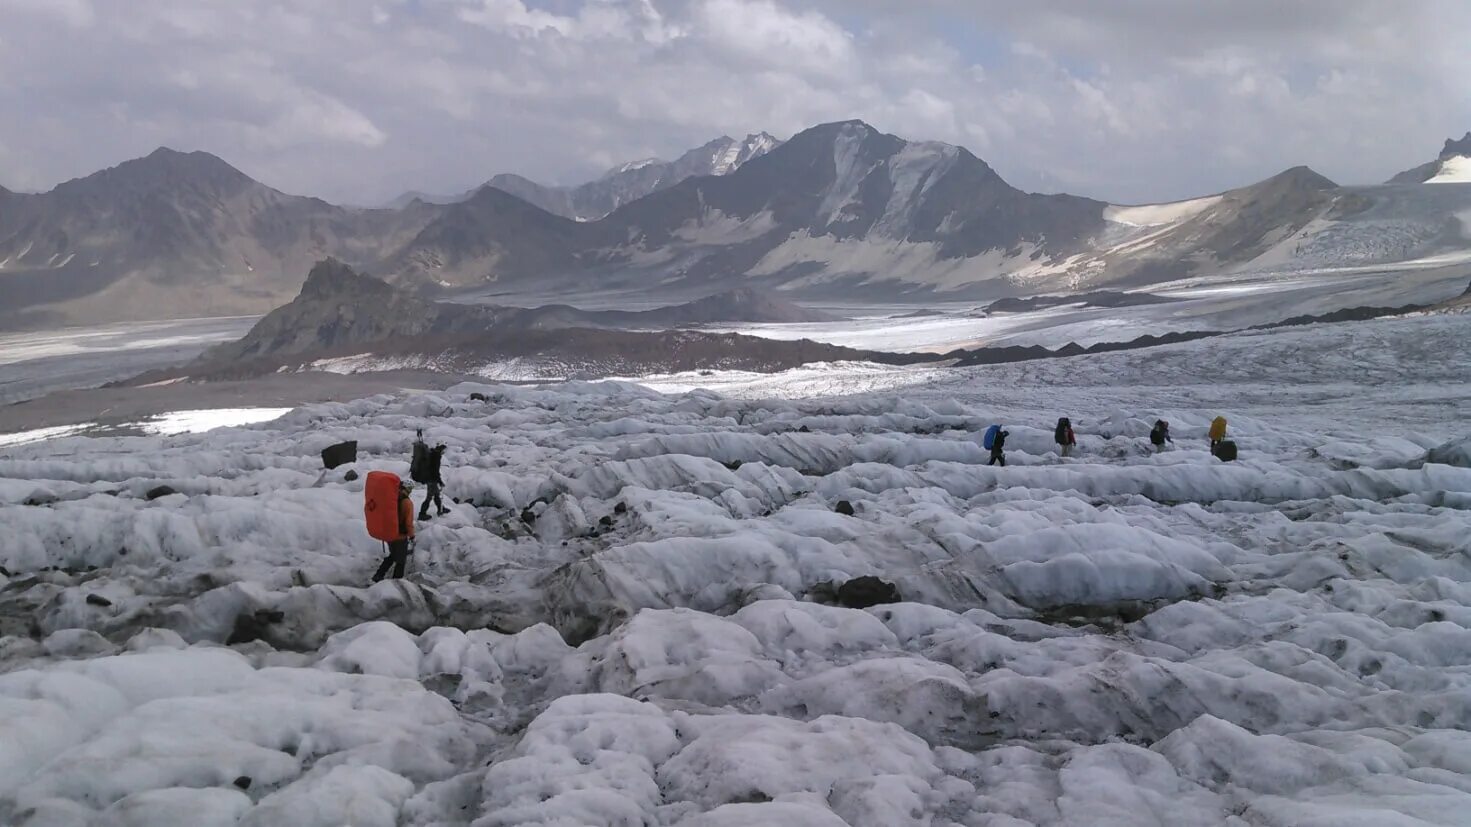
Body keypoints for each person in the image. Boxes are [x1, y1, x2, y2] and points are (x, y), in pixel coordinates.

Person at [372, 480, 416, 582]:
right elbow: (408, 522)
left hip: (388, 533)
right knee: (401, 561)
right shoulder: (407, 502)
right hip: (400, 535)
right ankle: (397, 582)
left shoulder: (390, 499)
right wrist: (412, 535)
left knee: (393, 556)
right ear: (408, 489)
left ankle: (378, 575)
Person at [418, 443, 449, 521]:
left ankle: (440, 509)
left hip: (430, 478)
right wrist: (440, 481)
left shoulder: (432, 453)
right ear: (441, 449)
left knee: (436, 494)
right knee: (429, 497)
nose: (444, 452)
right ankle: (422, 514)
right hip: (432, 480)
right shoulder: (436, 456)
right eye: (444, 450)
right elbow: (435, 471)